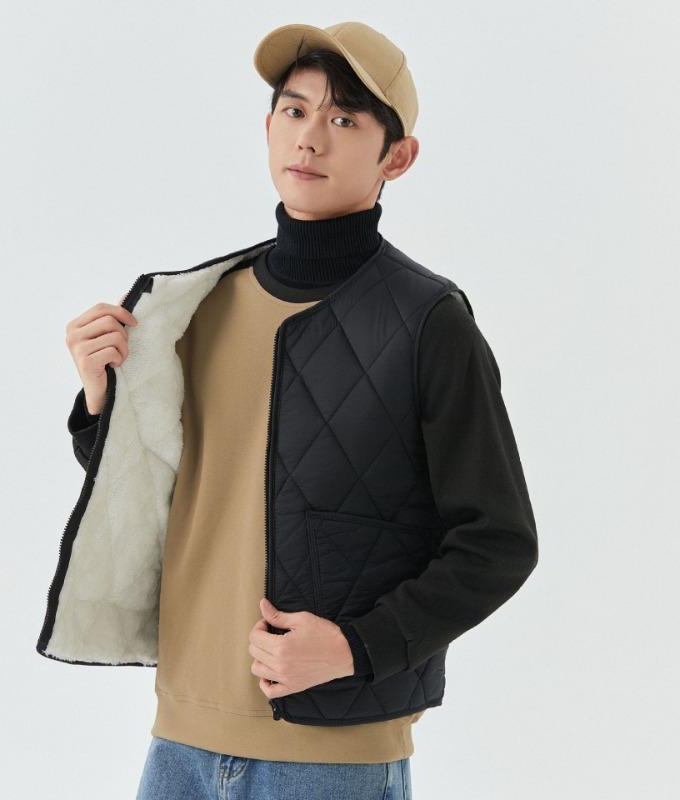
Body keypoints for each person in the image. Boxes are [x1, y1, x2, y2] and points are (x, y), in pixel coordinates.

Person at [53, 21, 538, 800]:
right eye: (294, 109)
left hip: (330, 755)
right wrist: (101, 399)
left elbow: (498, 542)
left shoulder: (428, 322)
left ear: (398, 157)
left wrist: (357, 647)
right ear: (268, 127)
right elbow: (173, 491)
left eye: (344, 118)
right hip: (180, 736)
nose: (310, 137)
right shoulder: (196, 308)